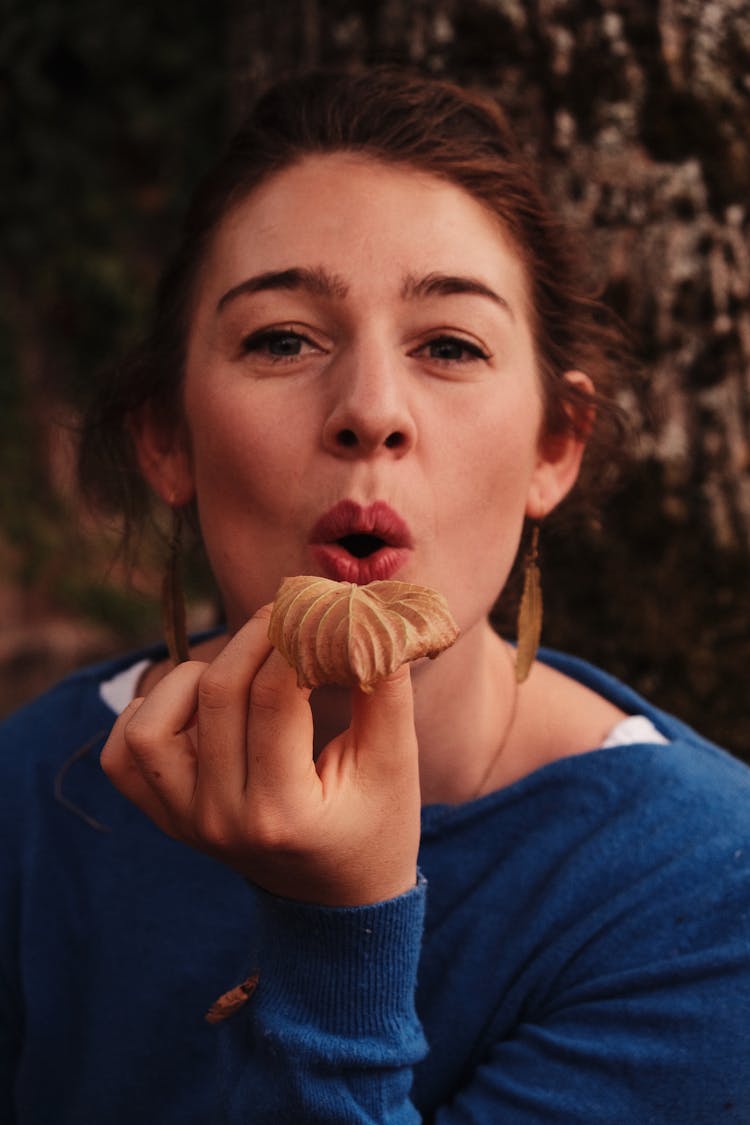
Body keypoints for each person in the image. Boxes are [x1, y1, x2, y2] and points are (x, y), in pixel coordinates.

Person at [1, 66, 748, 1124]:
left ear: (554, 445)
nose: (370, 411)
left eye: (450, 345)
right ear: (169, 439)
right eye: (283, 339)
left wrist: (338, 931)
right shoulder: (31, 797)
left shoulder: (708, 895)